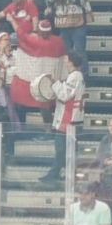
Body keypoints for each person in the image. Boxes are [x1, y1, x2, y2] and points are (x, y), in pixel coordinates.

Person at [39, 52, 86, 182]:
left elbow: (64, 96)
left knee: (61, 149)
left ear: (71, 62)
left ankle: (57, 174)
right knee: (65, 150)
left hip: (69, 119)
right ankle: (66, 173)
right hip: (69, 118)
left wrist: (55, 83)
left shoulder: (75, 76)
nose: (65, 61)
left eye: (66, 59)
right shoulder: (74, 76)